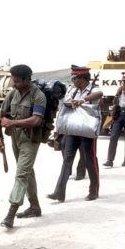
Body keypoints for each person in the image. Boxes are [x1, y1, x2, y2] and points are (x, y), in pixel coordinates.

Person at [0, 64, 47, 227]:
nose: (13, 83)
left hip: (30, 140)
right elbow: (1, 115)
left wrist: (12, 122)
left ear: (27, 79)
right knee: (27, 172)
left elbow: (36, 120)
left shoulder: (38, 96)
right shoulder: (13, 95)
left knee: (21, 174)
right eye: (13, 80)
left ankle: (10, 213)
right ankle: (34, 207)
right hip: (15, 138)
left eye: (16, 81)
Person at [49, 65, 102, 201]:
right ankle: (59, 192)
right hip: (72, 129)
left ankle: (93, 191)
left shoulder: (93, 88)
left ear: (82, 79)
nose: (73, 81)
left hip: (87, 130)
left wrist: (82, 100)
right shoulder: (73, 90)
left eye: (75, 78)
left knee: (90, 161)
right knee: (67, 160)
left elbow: (99, 94)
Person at [103, 72, 125, 167]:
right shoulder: (120, 90)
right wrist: (117, 94)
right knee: (113, 136)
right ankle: (110, 160)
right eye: (122, 80)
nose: (123, 82)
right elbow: (114, 102)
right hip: (119, 115)